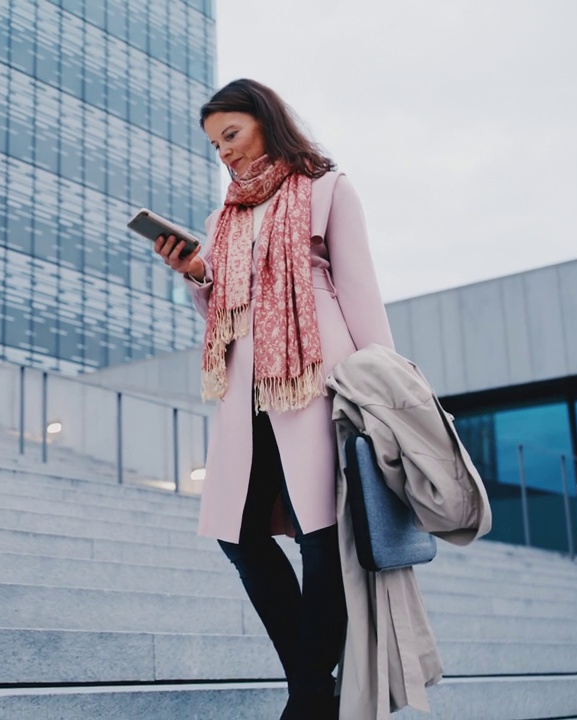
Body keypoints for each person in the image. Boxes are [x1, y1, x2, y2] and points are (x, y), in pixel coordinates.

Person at [152, 78, 395, 720]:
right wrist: (198, 275)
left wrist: (385, 392)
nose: (223, 152)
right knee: (239, 534)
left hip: (319, 376)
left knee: (320, 535)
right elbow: (224, 310)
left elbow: (359, 291)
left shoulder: (327, 190)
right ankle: (316, 686)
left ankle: (308, 699)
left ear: (265, 121)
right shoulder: (221, 218)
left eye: (230, 134)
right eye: (214, 144)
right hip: (247, 389)